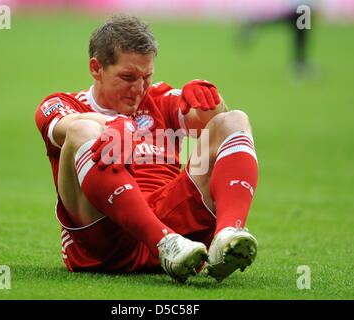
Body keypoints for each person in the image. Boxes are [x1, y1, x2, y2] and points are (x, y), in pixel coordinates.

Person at [35, 15, 259, 283]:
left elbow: (214, 124)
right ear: (96, 68)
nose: (139, 89)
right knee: (83, 130)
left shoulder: (160, 98)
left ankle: (227, 239)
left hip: (178, 228)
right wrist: (113, 123)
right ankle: (163, 242)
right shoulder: (65, 103)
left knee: (235, 119)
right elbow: (64, 125)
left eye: (146, 77)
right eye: (128, 77)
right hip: (105, 234)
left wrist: (212, 100)